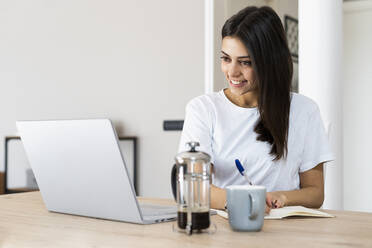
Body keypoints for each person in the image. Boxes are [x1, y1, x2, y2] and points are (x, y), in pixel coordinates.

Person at [178, 6, 334, 212]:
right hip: (226, 230)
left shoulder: (304, 110)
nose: (232, 71)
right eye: (226, 58)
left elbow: (315, 193)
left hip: (287, 233)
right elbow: (193, 187)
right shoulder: (203, 109)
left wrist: (283, 197)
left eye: (245, 62)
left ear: (270, 63)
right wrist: (246, 201)